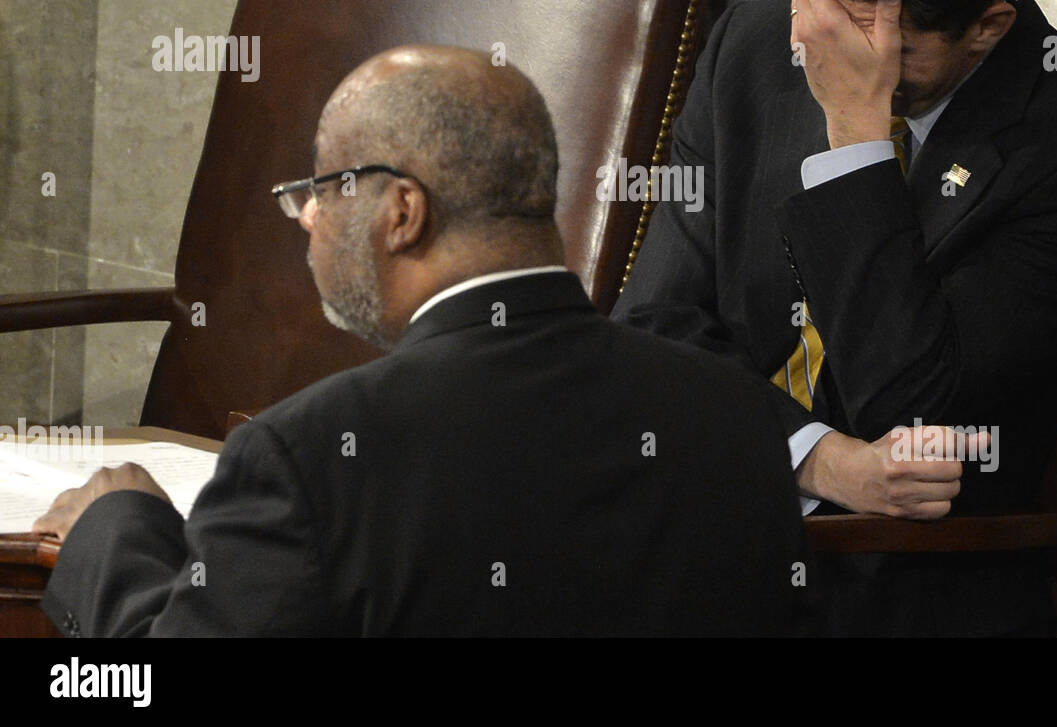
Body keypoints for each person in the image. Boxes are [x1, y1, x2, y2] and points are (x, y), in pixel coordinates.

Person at [35, 45, 820, 636]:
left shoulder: (309, 460)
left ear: (403, 211)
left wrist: (117, 527)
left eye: (321, 189)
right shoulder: (736, 414)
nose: (307, 218)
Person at [612, 0, 1057, 636]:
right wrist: (818, 459)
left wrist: (855, 140)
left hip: (890, 593)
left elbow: (912, 410)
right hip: (702, 523)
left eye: (888, 52)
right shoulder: (753, 51)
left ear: (988, 26)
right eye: (833, 23)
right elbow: (649, 335)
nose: (834, 61)